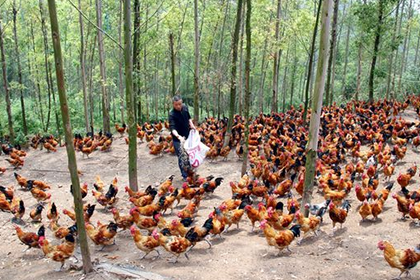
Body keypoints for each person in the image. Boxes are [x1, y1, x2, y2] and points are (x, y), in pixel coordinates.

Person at [169, 95, 196, 180]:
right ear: (173, 104)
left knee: (188, 154)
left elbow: (189, 118)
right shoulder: (172, 114)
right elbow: (172, 128)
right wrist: (179, 137)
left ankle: (189, 171)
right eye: (176, 104)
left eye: (180, 104)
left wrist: (192, 125)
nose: (178, 106)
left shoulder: (185, 108)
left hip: (187, 135)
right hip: (178, 140)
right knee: (181, 156)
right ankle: (184, 175)